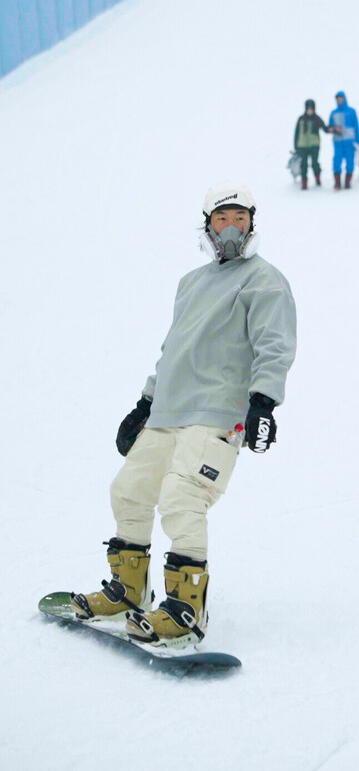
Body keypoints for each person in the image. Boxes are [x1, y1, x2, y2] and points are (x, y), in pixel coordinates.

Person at [71, 182, 296, 644]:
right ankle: (128, 593)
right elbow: (173, 349)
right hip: (168, 411)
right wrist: (145, 403)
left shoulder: (265, 278)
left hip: (217, 412)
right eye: (221, 219)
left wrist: (263, 403)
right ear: (208, 225)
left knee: (182, 496)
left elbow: (274, 345)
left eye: (239, 218)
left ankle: (185, 611)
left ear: (252, 223)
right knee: (129, 491)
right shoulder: (190, 283)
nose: (231, 227)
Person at [293, 100, 331, 189]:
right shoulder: (301, 119)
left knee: (315, 163)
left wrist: (333, 129)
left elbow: (325, 128)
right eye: (308, 109)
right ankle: (304, 182)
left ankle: (318, 179)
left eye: (311, 109)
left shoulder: (317, 119)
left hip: (314, 145)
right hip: (302, 146)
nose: (310, 111)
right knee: (304, 165)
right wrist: (296, 145)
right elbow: (297, 133)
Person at [328, 91, 359, 190]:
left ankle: (347, 182)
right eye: (337, 98)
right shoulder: (333, 113)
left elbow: (356, 127)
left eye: (341, 98)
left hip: (349, 141)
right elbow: (329, 126)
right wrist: (333, 129)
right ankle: (337, 182)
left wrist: (358, 142)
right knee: (337, 161)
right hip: (337, 141)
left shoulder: (351, 111)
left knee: (350, 161)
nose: (339, 100)